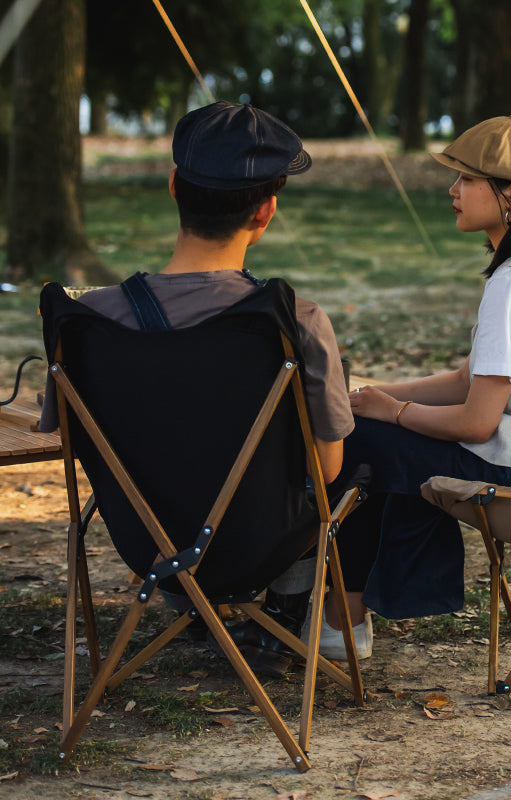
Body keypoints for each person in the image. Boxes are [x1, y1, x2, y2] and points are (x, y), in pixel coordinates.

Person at [40, 101, 354, 676]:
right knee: (358, 459)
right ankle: (284, 617)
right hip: (259, 543)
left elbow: (67, 440)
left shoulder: (85, 322)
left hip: (145, 544)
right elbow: (326, 471)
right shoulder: (293, 321)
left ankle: (190, 603)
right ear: (267, 211)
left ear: (172, 187)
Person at [317, 114, 511, 659]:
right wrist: (374, 394)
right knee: (364, 422)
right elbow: (466, 379)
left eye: (466, 179)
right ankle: (342, 612)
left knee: (356, 441)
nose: (452, 191)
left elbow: (478, 421)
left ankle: (339, 621)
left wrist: (393, 411)